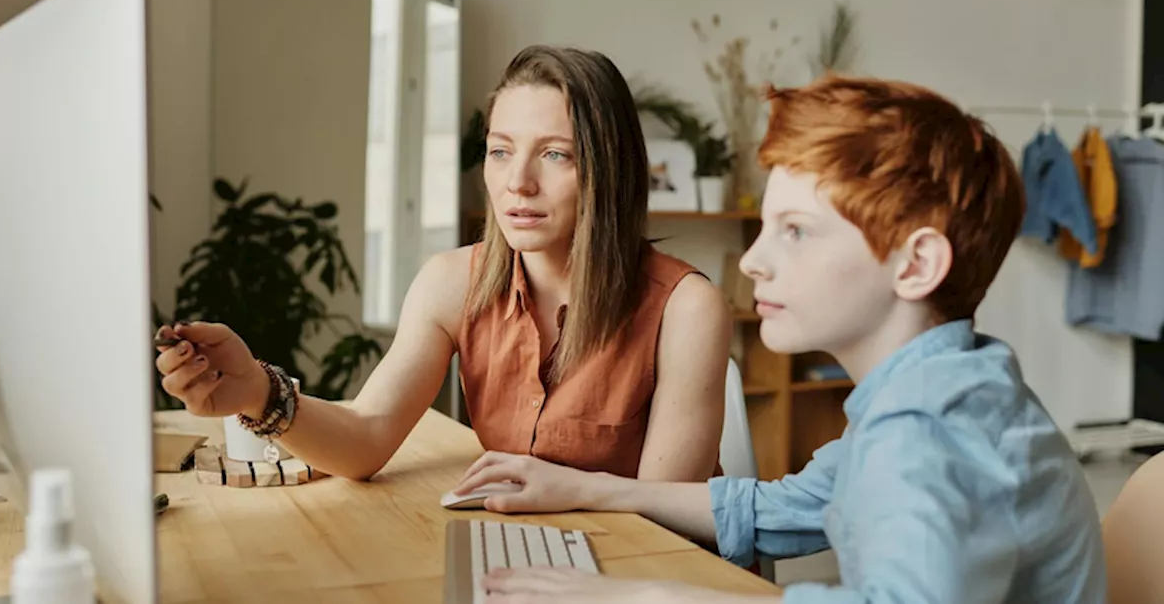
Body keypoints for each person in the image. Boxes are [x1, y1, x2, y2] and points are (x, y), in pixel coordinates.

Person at [454, 76, 1108, 603]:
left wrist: (646, 594)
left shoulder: (929, 432)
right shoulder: (940, 388)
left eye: (794, 230)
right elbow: (781, 507)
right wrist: (587, 488)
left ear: (915, 265)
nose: (752, 261)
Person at [154, 44, 732, 483]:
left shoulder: (687, 308)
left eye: (555, 155)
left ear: (611, 170)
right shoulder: (452, 282)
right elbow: (366, 437)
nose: (518, 183)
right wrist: (257, 391)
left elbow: (664, 519)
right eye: (501, 151)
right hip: (525, 562)